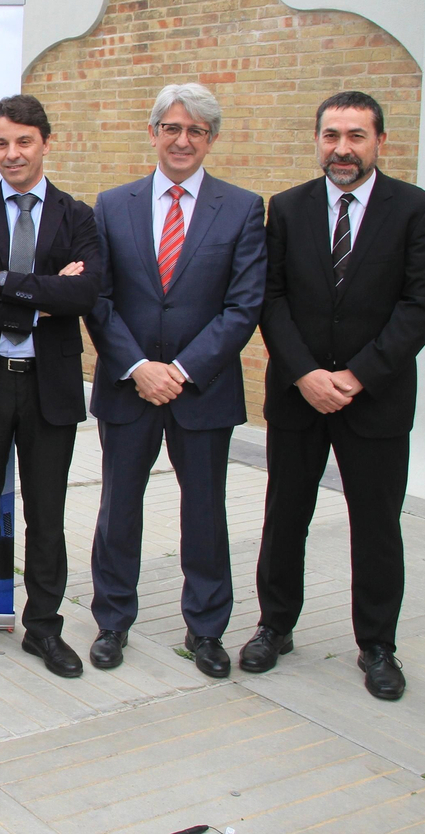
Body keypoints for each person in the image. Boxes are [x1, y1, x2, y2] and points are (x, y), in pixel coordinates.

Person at [242, 91, 425, 701]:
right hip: (298, 394)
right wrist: (304, 374)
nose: (342, 148)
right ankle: (275, 626)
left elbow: (420, 306)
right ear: (318, 140)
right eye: (331, 135)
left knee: (376, 524)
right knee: (284, 518)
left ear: (380, 141)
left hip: (374, 399)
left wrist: (356, 377)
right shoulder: (289, 208)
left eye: (356, 135)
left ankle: (377, 645)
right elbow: (270, 298)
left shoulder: (416, 210)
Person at [85, 83, 265, 679]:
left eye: (196, 131)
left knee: (206, 514)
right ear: (154, 132)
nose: (182, 140)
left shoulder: (241, 208)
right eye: (172, 128)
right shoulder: (112, 205)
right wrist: (139, 367)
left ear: (211, 139)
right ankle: (112, 621)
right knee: (118, 510)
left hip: (203, 390)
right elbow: (99, 299)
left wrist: (181, 371)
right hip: (128, 386)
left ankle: (207, 630)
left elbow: (242, 308)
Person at [0, 95, 101, 675]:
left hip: (48, 386)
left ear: (45, 143)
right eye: (1, 143)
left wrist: (3, 282)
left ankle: (44, 629)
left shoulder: (78, 217)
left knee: (47, 514)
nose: (12, 154)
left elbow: (84, 295)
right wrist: (38, 301)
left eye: (23, 142)